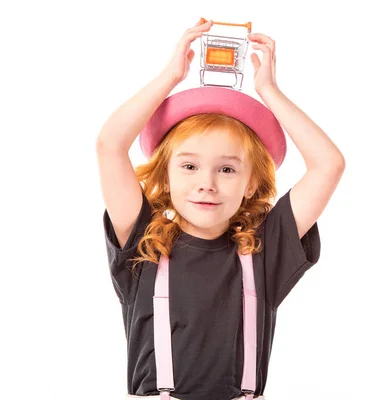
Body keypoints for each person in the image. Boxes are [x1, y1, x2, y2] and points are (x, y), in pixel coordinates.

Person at [95, 18, 345, 400]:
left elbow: (328, 164)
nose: (206, 183)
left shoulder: (264, 251)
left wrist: (270, 92)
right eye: (189, 165)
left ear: (252, 185)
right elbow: (110, 144)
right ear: (165, 173)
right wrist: (171, 76)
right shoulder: (142, 242)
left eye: (227, 169)